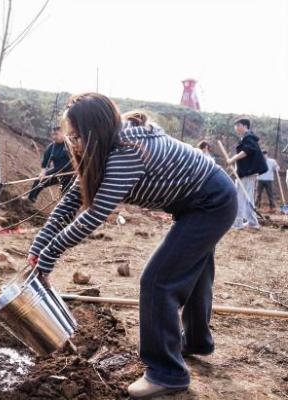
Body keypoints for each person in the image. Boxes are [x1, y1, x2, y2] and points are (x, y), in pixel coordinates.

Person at [26, 93, 237, 399]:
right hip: (200, 202)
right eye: (69, 137)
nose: (73, 144)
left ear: (95, 131)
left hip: (211, 203)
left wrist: (48, 257)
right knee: (194, 273)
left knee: (158, 280)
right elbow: (71, 200)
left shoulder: (126, 151)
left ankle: (167, 373)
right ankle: (196, 341)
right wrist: (38, 246)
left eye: (76, 137)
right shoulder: (104, 146)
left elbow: (94, 214)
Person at [225, 118, 267, 230]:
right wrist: (235, 166)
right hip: (246, 173)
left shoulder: (249, 137)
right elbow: (246, 155)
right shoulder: (246, 138)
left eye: (238, 125)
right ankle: (252, 222)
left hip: (247, 173)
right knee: (247, 197)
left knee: (240, 197)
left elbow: (247, 151)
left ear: (245, 126)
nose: (236, 128)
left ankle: (237, 223)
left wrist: (232, 159)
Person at [27, 126, 73, 202]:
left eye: (56, 134)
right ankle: (30, 199)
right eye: (53, 134)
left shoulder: (70, 145)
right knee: (39, 180)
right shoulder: (51, 147)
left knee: (66, 195)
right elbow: (45, 162)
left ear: (63, 133)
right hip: (56, 173)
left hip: (70, 175)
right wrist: (43, 173)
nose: (54, 137)